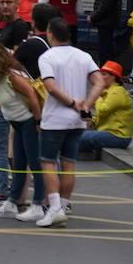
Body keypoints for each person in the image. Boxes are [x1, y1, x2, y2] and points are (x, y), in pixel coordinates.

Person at [36, 17, 108, 227]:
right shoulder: (83, 56)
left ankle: (55, 207)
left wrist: (72, 102)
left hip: (55, 118)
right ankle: (65, 204)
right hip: (77, 120)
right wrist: (86, 104)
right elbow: (99, 82)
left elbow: (50, 86)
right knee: (69, 163)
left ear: (50, 34)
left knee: (48, 162)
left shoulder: (47, 57)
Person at [0, 39, 45, 221]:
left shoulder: (12, 76)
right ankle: (12, 202)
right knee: (19, 165)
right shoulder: (2, 77)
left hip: (28, 122)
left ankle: (38, 204)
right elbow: (9, 98)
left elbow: (32, 95)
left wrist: (38, 121)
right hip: (18, 122)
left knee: (34, 164)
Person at [76, 60, 133, 159]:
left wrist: (96, 98)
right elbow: (101, 116)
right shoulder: (107, 92)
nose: (101, 77)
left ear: (113, 76)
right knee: (74, 133)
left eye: (104, 74)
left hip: (118, 136)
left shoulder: (117, 92)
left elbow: (103, 110)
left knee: (79, 138)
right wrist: (90, 120)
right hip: (107, 133)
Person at [88, 0, 125, 65]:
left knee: (105, 48)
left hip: (106, 23)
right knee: (105, 46)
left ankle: (106, 68)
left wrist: (93, 17)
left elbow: (104, 6)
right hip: (105, 22)